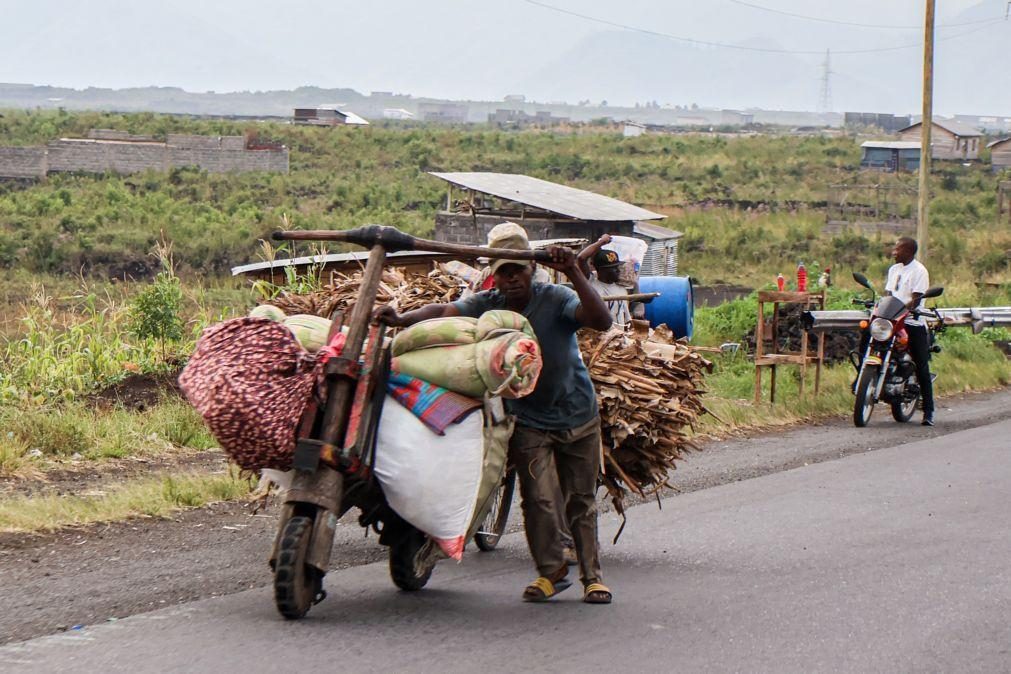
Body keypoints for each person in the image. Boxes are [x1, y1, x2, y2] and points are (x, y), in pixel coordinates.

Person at [376, 222, 615, 604]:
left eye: (517, 269)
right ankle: (550, 573)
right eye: (502, 271)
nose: (511, 278)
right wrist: (403, 319)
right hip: (529, 419)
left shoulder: (555, 297)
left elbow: (601, 321)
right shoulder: (489, 305)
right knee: (537, 499)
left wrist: (573, 271)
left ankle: (592, 577)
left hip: (577, 414)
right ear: (493, 275)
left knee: (580, 500)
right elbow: (444, 310)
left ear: (531, 269)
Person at [885, 236, 935, 426]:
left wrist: (902, 310)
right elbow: (889, 295)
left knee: (921, 365)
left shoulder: (919, 271)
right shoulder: (894, 270)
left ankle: (928, 411)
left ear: (908, 251)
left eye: (897, 249)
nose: (894, 252)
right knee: (868, 336)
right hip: (893, 321)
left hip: (912, 322)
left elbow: (916, 299)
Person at [577, 234, 645, 328]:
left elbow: (634, 306)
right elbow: (581, 258)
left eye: (617, 267)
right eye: (613, 268)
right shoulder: (591, 284)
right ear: (601, 270)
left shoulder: (623, 287)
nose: (618, 270)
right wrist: (601, 242)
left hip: (620, 337)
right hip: (599, 337)